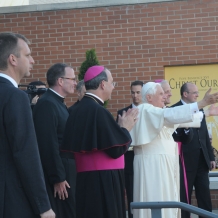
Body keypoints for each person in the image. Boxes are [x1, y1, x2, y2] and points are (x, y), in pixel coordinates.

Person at [130, 82, 218, 218]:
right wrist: (201, 103)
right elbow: (171, 114)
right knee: (156, 200)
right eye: (160, 94)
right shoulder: (145, 110)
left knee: (167, 202)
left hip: (163, 167)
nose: (164, 97)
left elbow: (182, 119)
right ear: (149, 97)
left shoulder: (158, 114)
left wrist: (205, 112)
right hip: (153, 168)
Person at [61, 65, 139, 218]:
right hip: (104, 182)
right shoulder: (99, 111)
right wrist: (125, 128)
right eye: (112, 83)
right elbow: (116, 150)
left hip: (85, 181)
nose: (113, 87)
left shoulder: (75, 109)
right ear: (103, 84)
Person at [0, 32, 55, 218]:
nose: (32, 60)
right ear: (13, 59)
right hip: (12, 200)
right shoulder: (15, 97)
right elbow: (25, 153)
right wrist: (43, 206)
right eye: (28, 55)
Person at [33, 63, 77, 218]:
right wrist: (58, 178)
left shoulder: (57, 102)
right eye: (72, 79)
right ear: (60, 81)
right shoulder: (47, 104)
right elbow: (48, 144)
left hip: (66, 170)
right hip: (60, 176)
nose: (75, 83)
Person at [171, 82, 216, 218]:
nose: (197, 95)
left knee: (204, 196)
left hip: (202, 161)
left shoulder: (200, 110)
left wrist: (211, 157)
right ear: (185, 94)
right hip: (185, 162)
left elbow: (204, 134)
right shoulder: (174, 110)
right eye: (195, 92)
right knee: (185, 198)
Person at [116, 80, 143, 218]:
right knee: (131, 193)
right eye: (133, 92)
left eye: (138, 92)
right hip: (128, 158)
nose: (135, 95)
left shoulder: (149, 111)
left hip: (145, 157)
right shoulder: (122, 112)